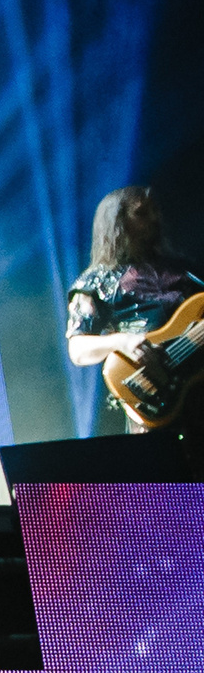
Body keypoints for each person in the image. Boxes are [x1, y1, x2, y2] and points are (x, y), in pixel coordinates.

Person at [65, 185, 202, 466]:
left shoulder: (184, 270)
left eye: (154, 210)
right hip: (154, 400)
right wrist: (122, 341)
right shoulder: (96, 282)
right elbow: (78, 349)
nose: (154, 217)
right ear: (117, 223)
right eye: (141, 213)